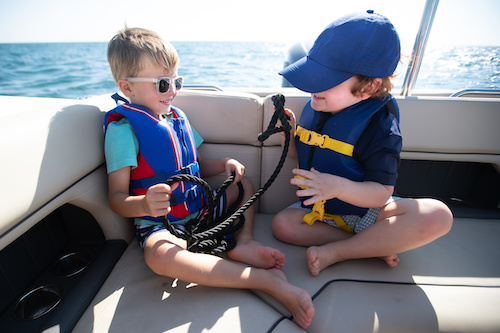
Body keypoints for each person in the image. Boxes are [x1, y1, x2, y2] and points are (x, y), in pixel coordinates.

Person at [104, 27, 314, 328]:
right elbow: (116, 199)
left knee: (245, 186)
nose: (173, 91)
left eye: (176, 81)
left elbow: (196, 164)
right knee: (158, 257)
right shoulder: (122, 131)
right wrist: (143, 205)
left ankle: (244, 242)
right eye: (163, 84)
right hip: (162, 226)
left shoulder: (177, 118)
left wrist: (224, 164)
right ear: (127, 87)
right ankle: (263, 281)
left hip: (200, 213)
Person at [272, 11, 453, 277]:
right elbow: (299, 161)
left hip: (370, 213)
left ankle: (337, 252)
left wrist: (336, 186)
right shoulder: (319, 108)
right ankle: (371, 246)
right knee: (282, 225)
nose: (312, 86)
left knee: (438, 215)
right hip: (322, 214)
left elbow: (381, 192)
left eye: (324, 79)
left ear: (367, 87)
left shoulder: (380, 127)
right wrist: (289, 138)